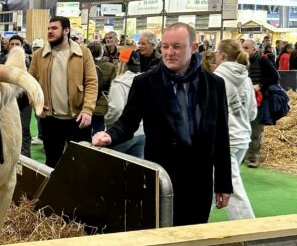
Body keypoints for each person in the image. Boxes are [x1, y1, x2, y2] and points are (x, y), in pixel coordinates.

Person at [92, 22, 232, 226]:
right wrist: (109, 135)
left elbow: (220, 135)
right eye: (165, 47)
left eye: (177, 46)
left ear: (193, 48)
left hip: (199, 182)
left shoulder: (214, 85)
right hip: (162, 179)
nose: (169, 52)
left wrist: (223, 183)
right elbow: (127, 123)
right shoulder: (145, 83)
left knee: (193, 237)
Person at [29, 16, 98, 168]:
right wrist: (36, 104)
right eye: (48, 28)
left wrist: (87, 109)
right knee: (52, 163)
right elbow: (30, 83)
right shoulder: (38, 55)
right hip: (51, 120)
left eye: (54, 28)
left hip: (78, 119)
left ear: (66, 30)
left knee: (81, 164)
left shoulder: (83, 53)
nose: (50, 32)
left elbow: (91, 82)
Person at [214, 39, 257, 220]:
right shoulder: (246, 79)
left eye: (217, 52)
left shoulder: (217, 78)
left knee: (232, 186)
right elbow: (253, 112)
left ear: (222, 55)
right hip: (242, 137)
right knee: (217, 181)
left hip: (226, 140)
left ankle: (248, 227)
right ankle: (193, 220)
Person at [241, 39, 280, 168]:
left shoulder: (263, 60)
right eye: (242, 48)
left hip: (259, 100)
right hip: (243, 99)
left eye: (246, 48)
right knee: (242, 128)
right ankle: (241, 156)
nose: (244, 50)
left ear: (254, 49)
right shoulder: (240, 61)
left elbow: (274, 77)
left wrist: (260, 86)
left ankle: (253, 157)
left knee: (256, 130)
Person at [104, 49, 145, 158]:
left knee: (114, 169)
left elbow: (116, 110)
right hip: (141, 133)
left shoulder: (118, 83)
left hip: (121, 134)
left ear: (122, 63)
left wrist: (107, 121)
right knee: (135, 170)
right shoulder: (144, 80)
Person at [5, 34, 32, 158]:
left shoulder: (30, 61)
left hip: (24, 102)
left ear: (23, 46)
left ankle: (26, 159)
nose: (15, 47)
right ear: (8, 46)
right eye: (12, 44)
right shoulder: (1, 60)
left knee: (25, 129)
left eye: (18, 44)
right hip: (7, 103)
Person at [87, 41, 116, 135]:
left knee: (83, 134)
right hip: (101, 106)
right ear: (102, 52)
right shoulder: (110, 67)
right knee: (98, 134)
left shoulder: (83, 65)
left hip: (85, 104)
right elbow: (112, 88)